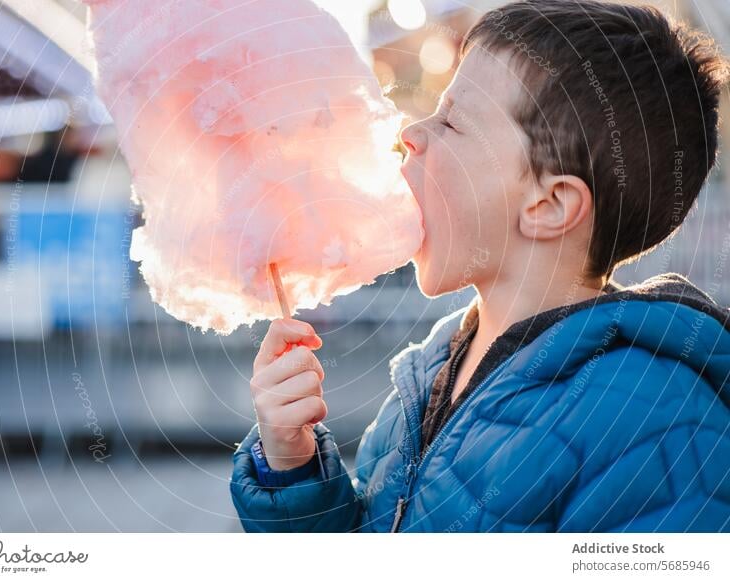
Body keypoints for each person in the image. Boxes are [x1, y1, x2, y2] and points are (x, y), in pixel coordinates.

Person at [230, 0, 730, 532]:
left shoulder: (659, 426)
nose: (410, 133)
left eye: (451, 120)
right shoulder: (425, 379)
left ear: (549, 205)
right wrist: (292, 464)